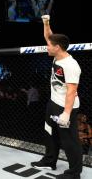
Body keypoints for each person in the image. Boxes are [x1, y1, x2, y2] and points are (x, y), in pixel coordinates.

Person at [30, 15, 82, 179]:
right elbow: (48, 36)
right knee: (50, 132)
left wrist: (66, 114)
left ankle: (74, 173)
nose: (47, 47)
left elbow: (72, 91)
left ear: (58, 47)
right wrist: (46, 23)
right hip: (53, 103)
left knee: (69, 140)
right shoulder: (57, 56)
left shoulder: (71, 65)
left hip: (66, 106)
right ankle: (49, 160)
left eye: (49, 46)